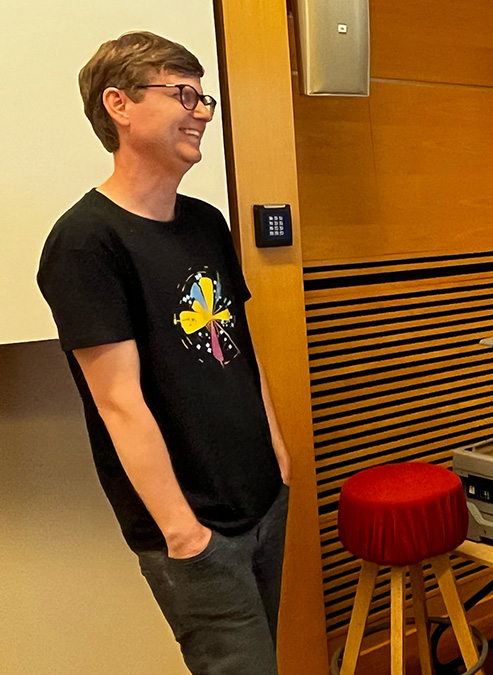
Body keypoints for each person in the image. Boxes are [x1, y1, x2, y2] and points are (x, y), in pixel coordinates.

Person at [37, 31, 291, 675]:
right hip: (195, 529)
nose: (200, 112)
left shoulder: (206, 222)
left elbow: (239, 346)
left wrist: (276, 452)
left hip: (263, 498)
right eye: (182, 94)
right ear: (118, 104)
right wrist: (183, 532)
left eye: (203, 99)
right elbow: (119, 403)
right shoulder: (85, 241)